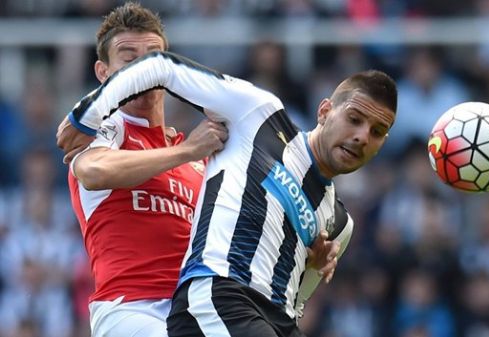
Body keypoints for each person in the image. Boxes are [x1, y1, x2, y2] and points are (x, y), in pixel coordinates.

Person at [63, 50, 397, 337]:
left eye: (377, 132)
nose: (361, 136)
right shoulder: (260, 115)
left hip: (275, 322)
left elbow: (297, 302)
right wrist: (87, 115)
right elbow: (160, 67)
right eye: (354, 119)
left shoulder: (339, 223)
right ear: (325, 111)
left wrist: (309, 260)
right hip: (220, 297)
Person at [57, 3, 228, 337]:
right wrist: (187, 151)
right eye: (129, 58)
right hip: (130, 309)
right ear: (103, 73)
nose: (145, 70)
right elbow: (94, 172)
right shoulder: (106, 131)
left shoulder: (200, 158)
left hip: (196, 308)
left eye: (153, 57)